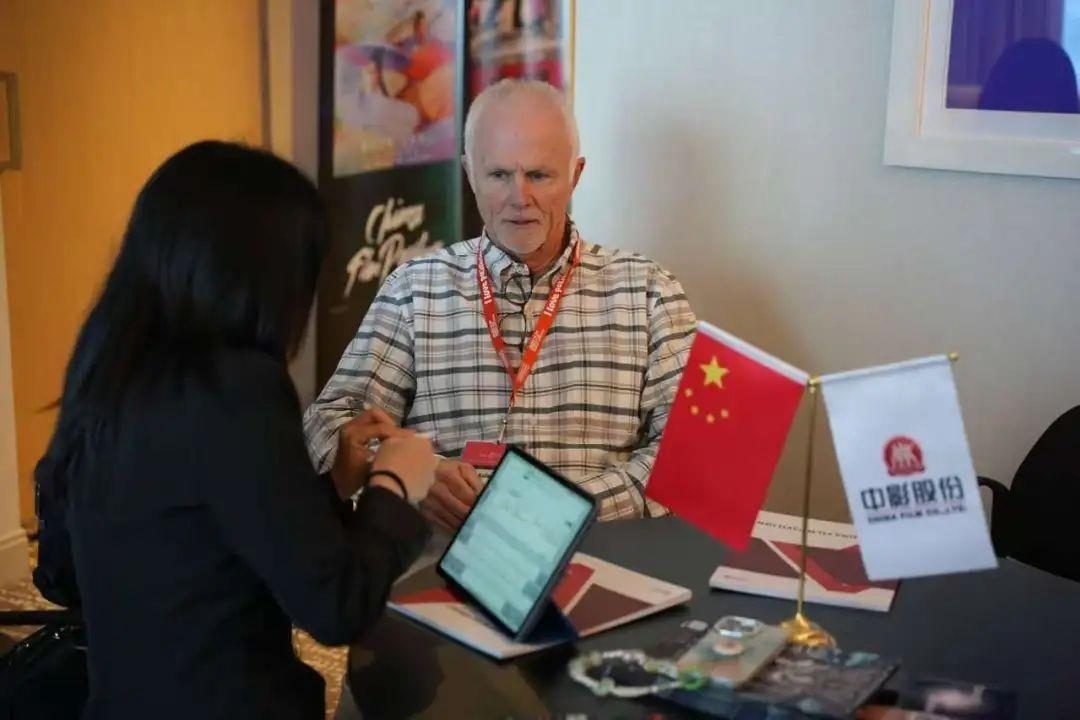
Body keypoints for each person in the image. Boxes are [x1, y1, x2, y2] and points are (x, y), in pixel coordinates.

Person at [31, 140, 438, 719]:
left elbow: (80, 568)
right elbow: (335, 607)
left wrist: (329, 487)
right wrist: (394, 487)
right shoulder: (236, 388)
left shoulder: (110, 367)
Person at [304, 79, 696, 535]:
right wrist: (411, 476)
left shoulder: (648, 293)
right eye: (498, 175)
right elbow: (328, 426)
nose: (519, 197)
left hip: (600, 564)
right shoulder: (414, 290)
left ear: (575, 174)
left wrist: (561, 515)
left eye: (539, 175)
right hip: (439, 567)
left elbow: (689, 460)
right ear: (469, 173)